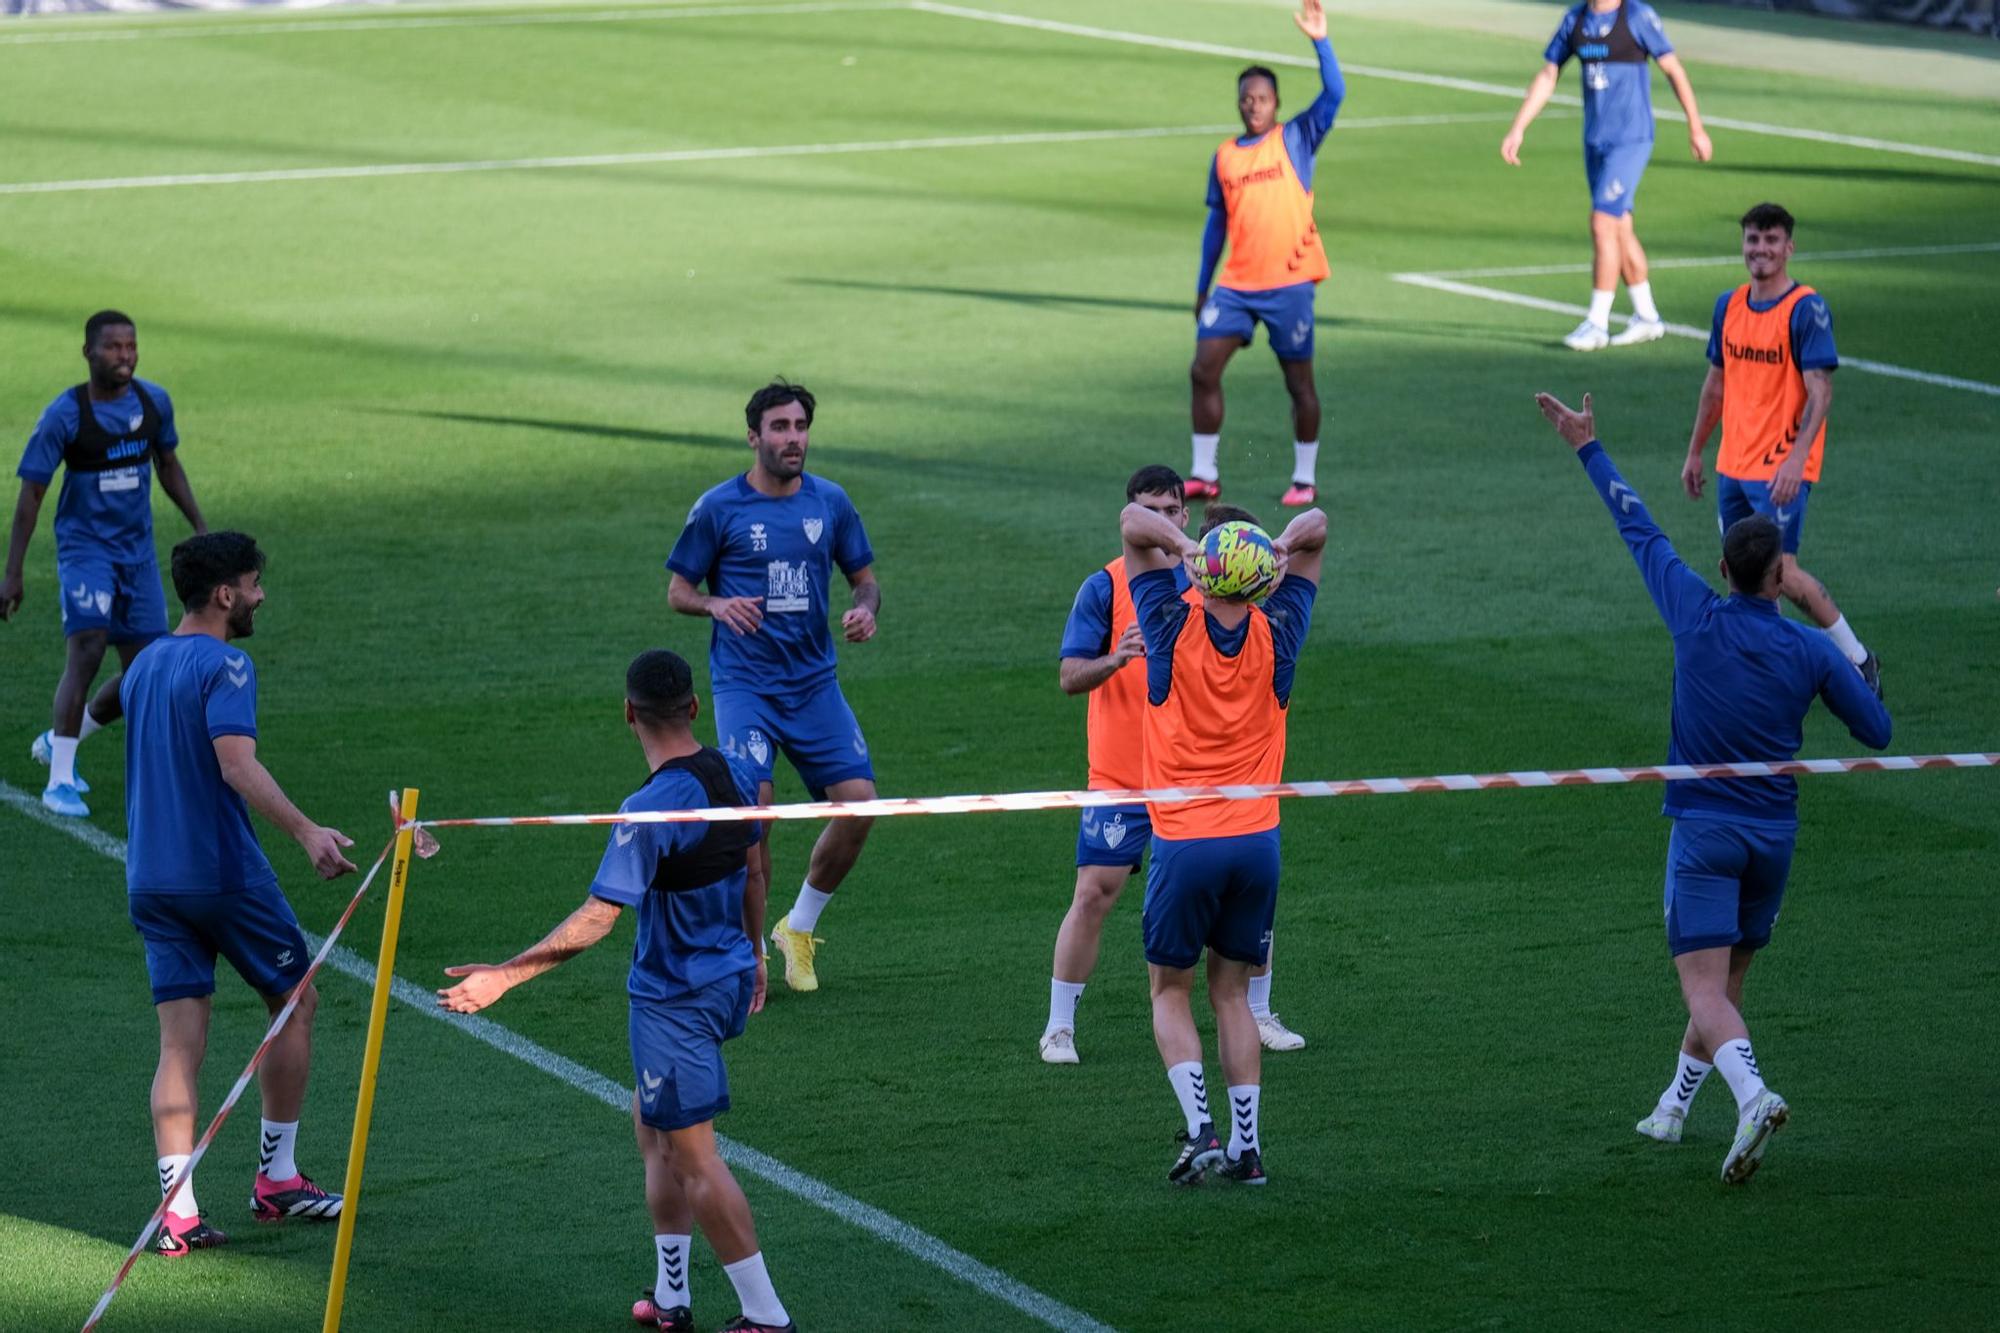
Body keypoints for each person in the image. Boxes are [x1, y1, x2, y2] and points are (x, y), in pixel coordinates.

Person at [1533, 391, 1890, 1184]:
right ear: (1780, 577)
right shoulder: (1810, 651)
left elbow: (1639, 527)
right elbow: (1878, 731)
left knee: (1703, 989)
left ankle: (1754, 1094)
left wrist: (1588, 446)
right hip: (1774, 840)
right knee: (1724, 986)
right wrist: (1838, 630)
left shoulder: (1694, 611)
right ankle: (1672, 1106)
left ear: (1725, 570)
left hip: (1705, 832)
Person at [438, 650, 794, 1333]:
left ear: (629, 712)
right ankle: (671, 1295)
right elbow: (754, 869)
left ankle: (766, 1315)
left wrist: (503, 976)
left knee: (692, 1155)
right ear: (693, 708)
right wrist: (753, 952)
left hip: (675, 995)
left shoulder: (649, 807)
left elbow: (599, 915)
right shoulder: (738, 770)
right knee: (652, 1129)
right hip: (721, 977)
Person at [121, 531, 356, 1256]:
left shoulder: (146, 663)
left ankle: (177, 1210)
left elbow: (111, 704)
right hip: (222, 875)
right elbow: (235, 765)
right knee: (297, 1000)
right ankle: (277, 1178)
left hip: (152, 880)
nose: (259, 597)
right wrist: (307, 830)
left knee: (179, 1043)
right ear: (225, 594)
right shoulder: (227, 663)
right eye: (253, 584)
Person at [1043, 468, 1305, 1064]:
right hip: (1123, 776)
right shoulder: (1109, 587)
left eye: (1171, 509)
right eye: (1149, 511)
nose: (1162, 520)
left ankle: (1260, 1012)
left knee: (1247, 896)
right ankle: (1059, 1026)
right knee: (1094, 893)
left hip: (1202, 782)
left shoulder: (1226, 584)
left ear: (1186, 517)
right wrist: (1116, 658)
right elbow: (1067, 677)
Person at [1120, 496, 1325, 1185]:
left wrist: (1185, 544)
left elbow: (1131, 524)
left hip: (1184, 841)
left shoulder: (1168, 621)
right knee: (1233, 995)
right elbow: (1316, 528)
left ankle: (1202, 1128)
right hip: (1257, 841)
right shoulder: (1282, 631)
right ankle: (1248, 1148)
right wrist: (1274, 551)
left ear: (1203, 576)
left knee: (1168, 991)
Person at [666, 380, 879, 996]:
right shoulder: (718, 508)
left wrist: (866, 609)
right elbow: (678, 590)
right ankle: (746, 948)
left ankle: (798, 927)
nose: (793, 439)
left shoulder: (830, 503)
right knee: (754, 821)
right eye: (780, 428)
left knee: (861, 805)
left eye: (800, 427)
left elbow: (865, 579)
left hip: (814, 685)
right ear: (753, 436)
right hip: (746, 687)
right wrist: (715, 605)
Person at [4, 310, 207, 817]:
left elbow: (168, 465)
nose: (125, 355)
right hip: (85, 550)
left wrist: (202, 529)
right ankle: (59, 782)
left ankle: (63, 740)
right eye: (113, 347)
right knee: (89, 649)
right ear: (88, 353)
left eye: (131, 346)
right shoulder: (65, 415)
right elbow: (31, 494)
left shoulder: (153, 403)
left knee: (144, 672)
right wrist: (13, 572)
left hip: (135, 554)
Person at [1682, 202, 1879, 690]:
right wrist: (1695, 451)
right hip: (1734, 463)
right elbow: (1715, 385)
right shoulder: (1728, 305)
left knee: (1783, 573)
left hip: (1780, 470)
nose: (1761, 249)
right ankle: (1766, 668)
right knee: (1746, 577)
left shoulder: (1805, 309)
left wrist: (1796, 460)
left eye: (1771, 240)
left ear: (1789, 247)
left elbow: (1822, 390)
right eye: (1753, 239)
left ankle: (1858, 661)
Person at [1188, 0, 1345, 508]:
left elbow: (1336, 93)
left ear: (1276, 102)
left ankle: (1304, 478)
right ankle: (1204, 473)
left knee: (1299, 384)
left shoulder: (1296, 138)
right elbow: (1217, 223)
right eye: (1246, 99)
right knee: (1202, 368)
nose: (1253, 106)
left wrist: (1320, 41)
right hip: (1236, 285)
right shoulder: (1226, 155)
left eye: (1261, 98)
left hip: (1289, 284)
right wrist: (1202, 285)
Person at [1500, 1, 1712, 351]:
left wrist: (1696, 127)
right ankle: (1647, 317)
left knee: (1602, 222)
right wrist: (1518, 127)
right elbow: (1549, 72)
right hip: (1595, 143)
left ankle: (1596, 323)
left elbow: (1673, 68)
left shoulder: (1637, 17)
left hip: (1630, 140)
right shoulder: (1576, 19)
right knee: (1619, 227)